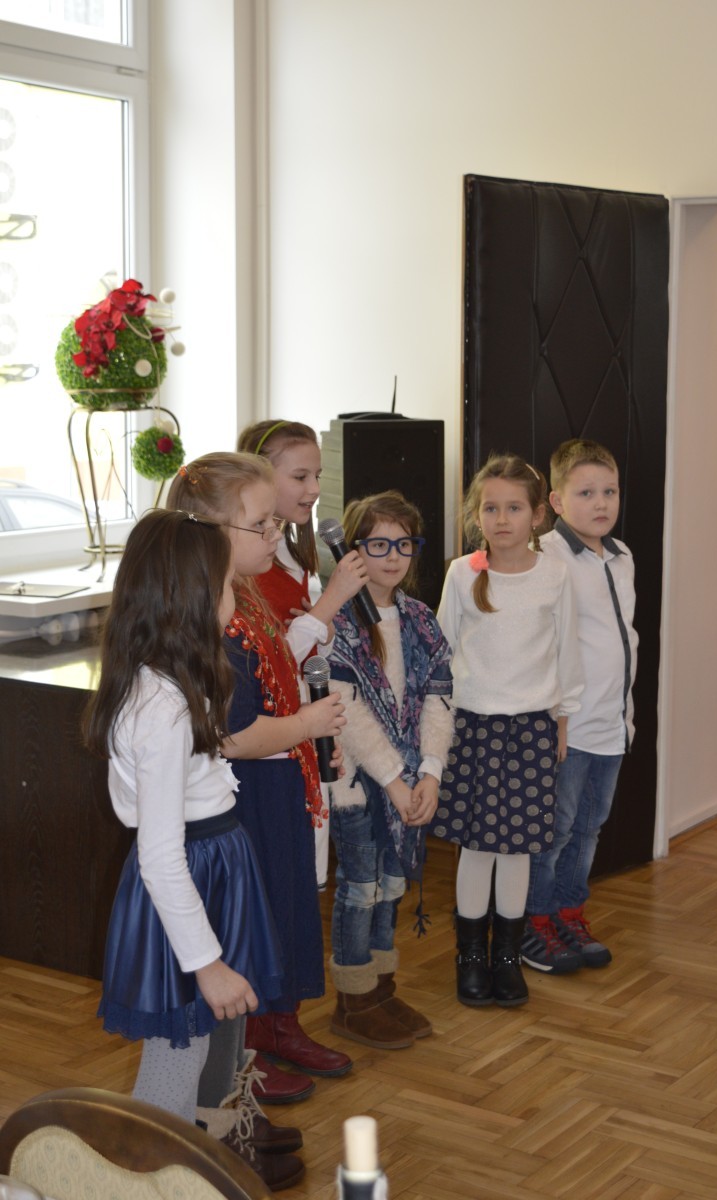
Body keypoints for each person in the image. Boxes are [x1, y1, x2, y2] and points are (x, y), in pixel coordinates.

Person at [83, 508, 299, 1190]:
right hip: (189, 877)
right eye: (228, 586)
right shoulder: (162, 708)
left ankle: (199, 1157)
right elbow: (159, 855)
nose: (237, 597)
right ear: (192, 597)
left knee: (207, 1038)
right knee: (178, 1051)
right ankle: (145, 1173)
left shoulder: (174, 681)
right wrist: (206, 964)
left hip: (213, 866)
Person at [167, 452, 361, 1108]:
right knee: (252, 923)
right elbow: (235, 735)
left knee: (285, 909)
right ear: (211, 532)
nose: (275, 532)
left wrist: (310, 740)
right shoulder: (217, 621)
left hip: (278, 783)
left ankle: (278, 1028)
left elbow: (277, 688)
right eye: (260, 524)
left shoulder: (245, 594)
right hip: (244, 794)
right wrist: (305, 725)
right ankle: (243, 1053)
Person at [430, 454, 583, 1007]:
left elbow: (567, 653)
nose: (502, 519)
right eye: (490, 508)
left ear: (537, 515)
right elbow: (441, 652)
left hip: (532, 729)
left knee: (518, 850)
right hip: (473, 726)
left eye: (514, 508)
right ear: (477, 515)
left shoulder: (555, 575)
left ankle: (507, 955)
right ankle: (471, 955)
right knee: (477, 846)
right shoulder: (462, 573)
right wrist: (435, 727)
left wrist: (563, 718)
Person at [325, 491, 454, 1048]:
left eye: (404, 544)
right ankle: (352, 1001)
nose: (393, 556)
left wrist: (430, 772)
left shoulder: (420, 620)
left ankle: (381, 989)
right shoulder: (339, 623)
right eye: (378, 544)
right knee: (361, 886)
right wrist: (394, 780)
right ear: (353, 550)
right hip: (360, 783)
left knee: (392, 884)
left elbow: (439, 699)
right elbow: (347, 712)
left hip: (409, 781)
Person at [521, 439, 638, 974]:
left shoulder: (621, 556)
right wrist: (551, 719)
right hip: (568, 727)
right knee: (555, 830)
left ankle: (570, 912)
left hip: (612, 723)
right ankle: (535, 922)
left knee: (590, 827)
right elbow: (540, 644)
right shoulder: (547, 558)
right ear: (557, 501)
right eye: (586, 493)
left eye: (609, 491)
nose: (601, 503)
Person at [237, 418, 367, 891]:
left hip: (304, 729)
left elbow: (304, 651)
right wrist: (330, 602)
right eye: (299, 476)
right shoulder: (246, 567)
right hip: (268, 742)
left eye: (318, 476)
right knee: (277, 878)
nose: (314, 489)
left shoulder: (292, 556)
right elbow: (263, 664)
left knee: (307, 876)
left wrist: (320, 626)